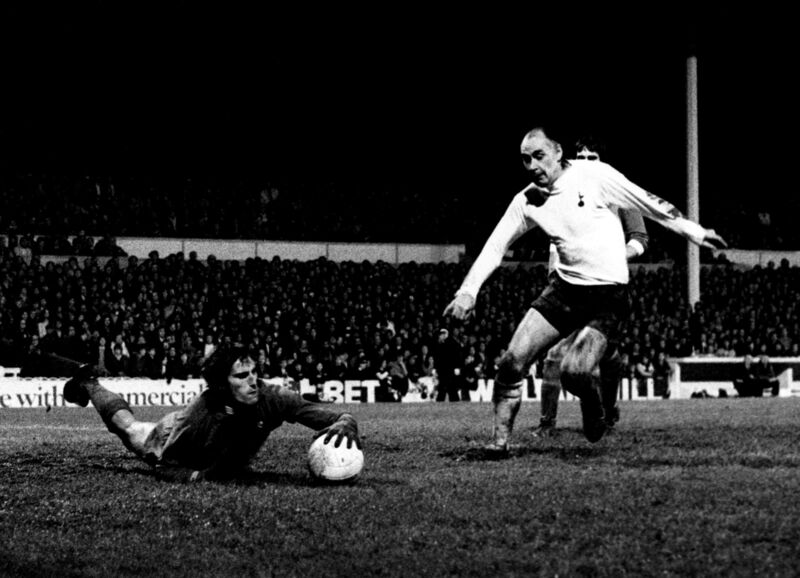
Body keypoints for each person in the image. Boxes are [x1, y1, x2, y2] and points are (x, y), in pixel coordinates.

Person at [444, 124, 726, 454]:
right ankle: (498, 444)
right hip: (564, 291)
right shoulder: (528, 200)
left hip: (608, 296)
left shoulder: (595, 176)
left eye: (539, 156)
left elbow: (648, 201)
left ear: (558, 152)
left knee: (574, 372)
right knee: (510, 362)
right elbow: (495, 246)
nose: (533, 165)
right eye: (525, 160)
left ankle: (595, 405)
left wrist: (695, 232)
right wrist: (468, 291)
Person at [60, 344, 361, 482]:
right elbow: (166, 466)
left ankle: (89, 383)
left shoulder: (275, 398)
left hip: (214, 448)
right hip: (172, 436)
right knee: (128, 428)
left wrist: (347, 423)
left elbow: (333, 417)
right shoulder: (200, 413)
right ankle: (89, 383)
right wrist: (202, 475)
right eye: (241, 376)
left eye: (254, 372)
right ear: (222, 384)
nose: (253, 381)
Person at [534, 135, 649, 437]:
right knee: (554, 355)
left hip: (605, 289)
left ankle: (608, 413)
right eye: (581, 157)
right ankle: (547, 425)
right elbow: (555, 244)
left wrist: (615, 255)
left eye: (592, 157)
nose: (586, 163)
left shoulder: (618, 192)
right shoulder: (563, 194)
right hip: (570, 288)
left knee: (607, 358)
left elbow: (640, 238)